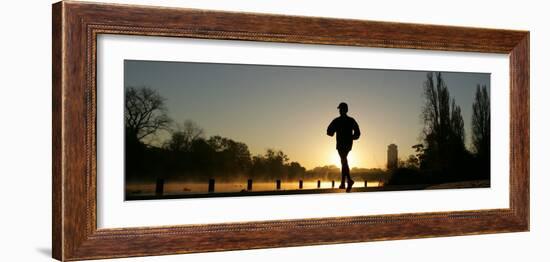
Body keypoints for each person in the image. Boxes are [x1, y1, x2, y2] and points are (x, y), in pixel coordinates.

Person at [327, 102, 361, 192]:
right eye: (339, 109)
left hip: (342, 145)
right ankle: (343, 182)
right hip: (346, 144)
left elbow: (329, 132)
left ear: (345, 110)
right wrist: (352, 137)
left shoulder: (339, 120)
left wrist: (351, 137)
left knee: (343, 160)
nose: (340, 111)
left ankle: (348, 181)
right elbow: (329, 132)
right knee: (343, 161)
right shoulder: (349, 120)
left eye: (341, 109)